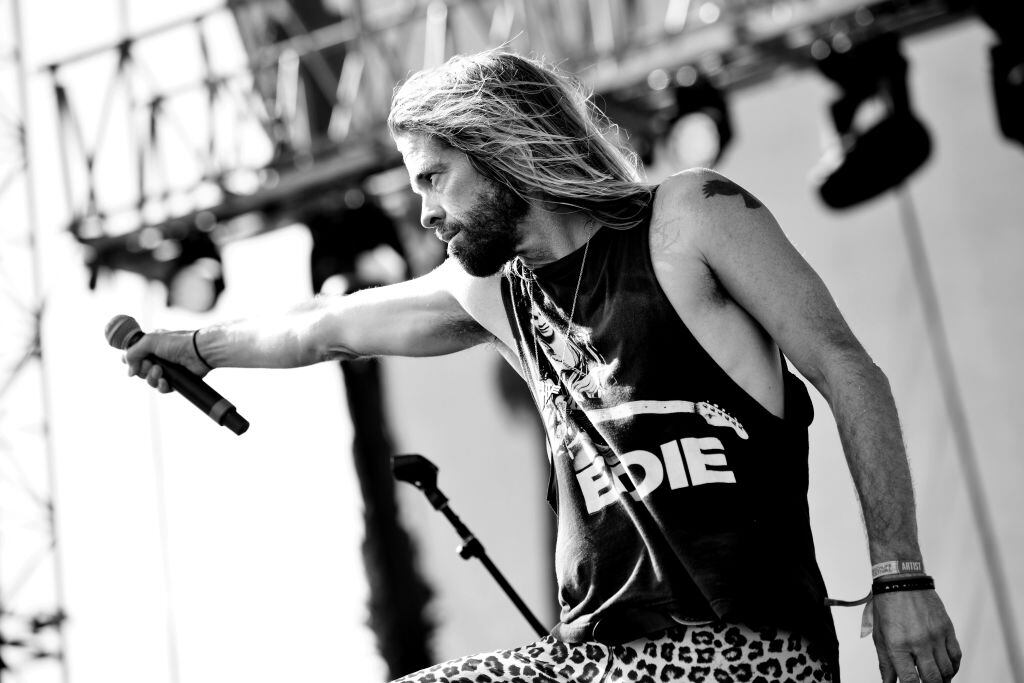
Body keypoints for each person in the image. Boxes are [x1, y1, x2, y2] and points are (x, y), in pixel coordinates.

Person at [125, 51, 960, 682]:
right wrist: (197, 346)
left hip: (745, 652)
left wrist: (901, 575)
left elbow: (850, 370)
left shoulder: (689, 218)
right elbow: (325, 327)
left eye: (435, 177)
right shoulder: (497, 296)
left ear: (495, 150)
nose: (423, 211)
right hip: (597, 662)